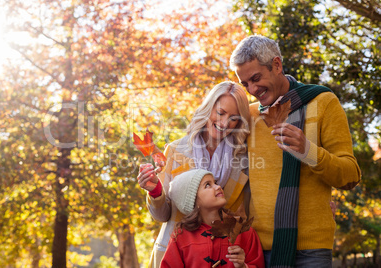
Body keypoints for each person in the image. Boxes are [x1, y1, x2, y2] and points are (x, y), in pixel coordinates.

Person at [229, 35, 361, 267]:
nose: (252, 89)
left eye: (256, 78)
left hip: (312, 250)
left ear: (277, 65)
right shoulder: (248, 116)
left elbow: (350, 175)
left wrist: (308, 151)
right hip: (258, 247)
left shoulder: (323, 102)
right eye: (245, 83)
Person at [137, 81, 251, 267]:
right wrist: (155, 191)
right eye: (221, 113)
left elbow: (241, 215)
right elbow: (162, 215)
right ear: (208, 108)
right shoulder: (176, 150)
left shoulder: (242, 159)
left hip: (221, 256)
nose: (224, 123)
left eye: (234, 118)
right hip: (173, 254)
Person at [160, 169, 265, 268]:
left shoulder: (244, 232)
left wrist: (243, 266)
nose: (218, 187)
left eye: (215, 182)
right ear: (193, 200)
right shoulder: (180, 236)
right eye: (207, 185)